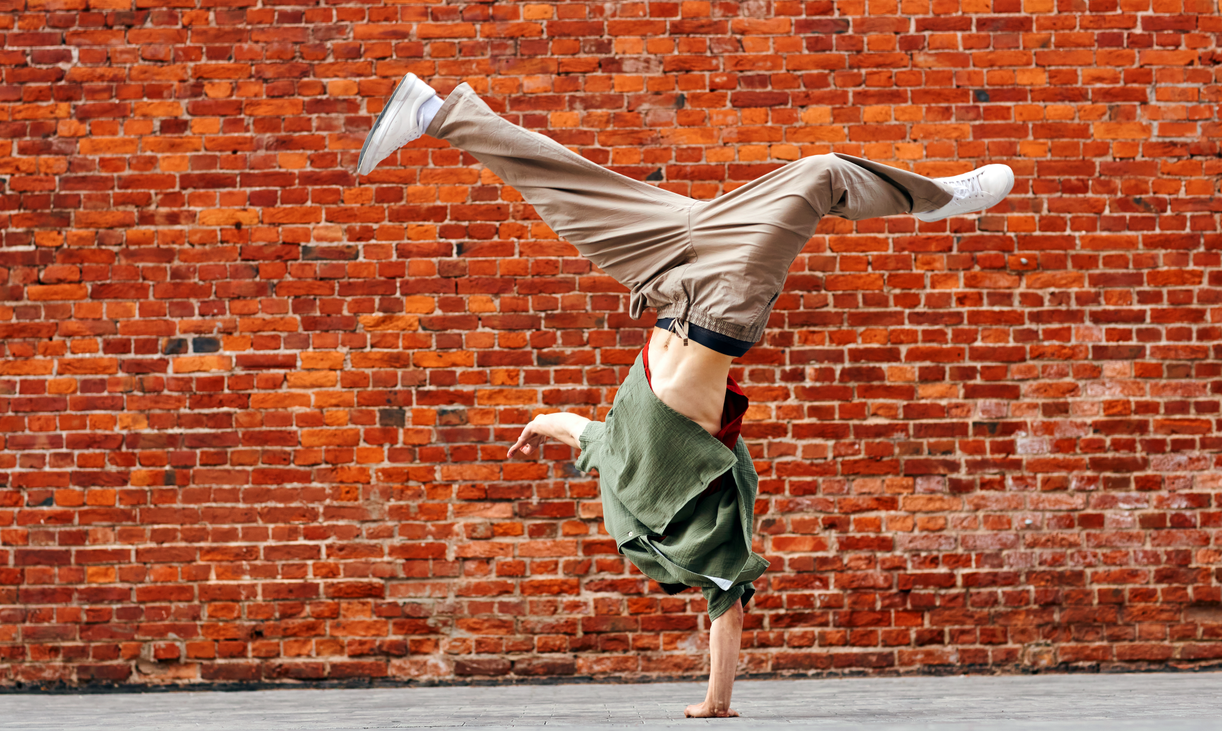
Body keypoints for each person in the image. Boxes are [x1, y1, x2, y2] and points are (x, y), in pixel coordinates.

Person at [357, 73, 1013, 718]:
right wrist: (715, 703)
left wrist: (539, 422)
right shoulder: (651, 481)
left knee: (563, 185)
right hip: (717, 293)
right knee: (819, 175)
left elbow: (576, 434)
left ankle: (433, 113)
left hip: (669, 274)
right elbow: (575, 433)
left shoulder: (632, 467)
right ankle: (937, 198)